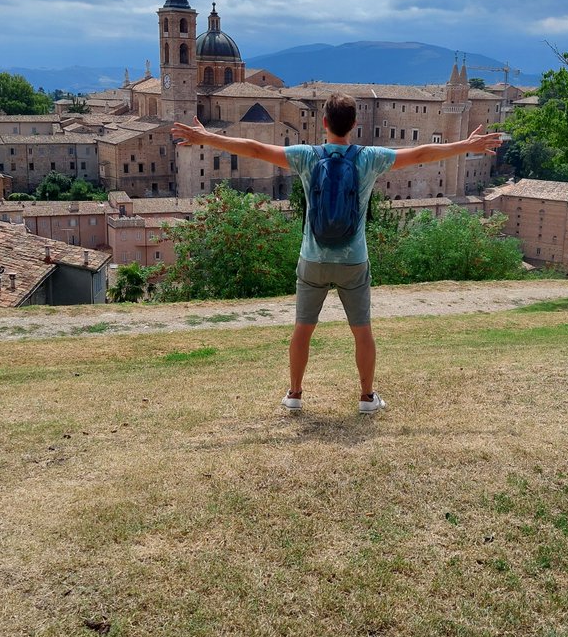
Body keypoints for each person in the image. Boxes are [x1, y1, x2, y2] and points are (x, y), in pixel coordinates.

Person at [171, 92, 503, 414]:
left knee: (303, 328)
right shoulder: (369, 158)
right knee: (362, 330)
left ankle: (295, 394)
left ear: (325, 122)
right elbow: (419, 154)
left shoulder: (306, 155)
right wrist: (467, 145)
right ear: (354, 124)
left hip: (312, 258)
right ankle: (366, 397)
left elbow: (255, 148)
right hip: (353, 261)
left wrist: (207, 138)